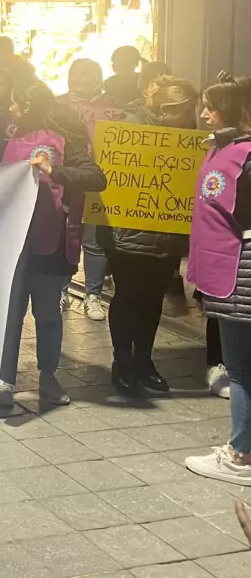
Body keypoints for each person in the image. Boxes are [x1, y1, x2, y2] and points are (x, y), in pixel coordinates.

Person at [0, 79, 107, 408]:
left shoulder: (67, 138)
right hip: (14, 243)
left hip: (51, 242)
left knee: (47, 314)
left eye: (15, 102)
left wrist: (54, 171)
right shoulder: (13, 136)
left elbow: (96, 178)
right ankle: (4, 379)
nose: (11, 108)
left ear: (29, 105)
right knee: (11, 313)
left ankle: (48, 377)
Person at [102, 76, 199, 397]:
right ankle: (122, 362)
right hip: (126, 233)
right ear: (163, 108)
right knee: (128, 295)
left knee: (153, 297)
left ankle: (143, 360)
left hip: (167, 232)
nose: (189, 116)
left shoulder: (190, 135)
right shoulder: (128, 124)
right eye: (183, 110)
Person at [183, 75, 251, 484]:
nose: (205, 114)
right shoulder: (225, 149)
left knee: (241, 370)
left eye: (213, 107)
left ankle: (240, 456)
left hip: (240, 274)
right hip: (232, 273)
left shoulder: (245, 157)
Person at [55, 58, 113, 321]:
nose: (80, 79)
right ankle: (61, 290)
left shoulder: (112, 107)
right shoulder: (56, 104)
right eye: (75, 74)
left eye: (86, 74)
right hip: (67, 180)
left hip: (98, 182)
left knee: (93, 240)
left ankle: (93, 295)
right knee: (66, 237)